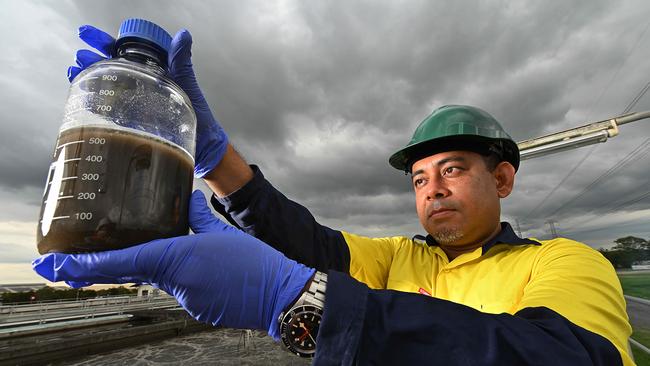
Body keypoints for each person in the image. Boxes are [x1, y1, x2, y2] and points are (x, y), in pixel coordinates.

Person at [34, 25, 634, 365]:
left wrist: (295, 303)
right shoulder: (402, 258)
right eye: (421, 179)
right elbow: (306, 243)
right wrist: (218, 162)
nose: (433, 191)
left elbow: (561, 359)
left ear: (502, 180)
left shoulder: (564, 263)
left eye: (452, 171)